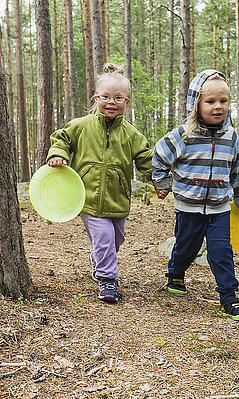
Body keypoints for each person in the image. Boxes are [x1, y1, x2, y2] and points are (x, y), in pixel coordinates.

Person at [152, 69, 239, 321]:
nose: (217, 107)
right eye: (210, 101)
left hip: (220, 207)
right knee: (187, 247)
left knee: (221, 250)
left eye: (223, 101)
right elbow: (159, 155)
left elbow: (237, 169)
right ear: (196, 103)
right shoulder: (183, 135)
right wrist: (161, 181)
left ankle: (229, 297)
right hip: (188, 207)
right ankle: (176, 272)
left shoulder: (231, 137)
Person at [46, 63, 153, 303]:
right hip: (88, 198)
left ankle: (99, 259)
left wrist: (158, 180)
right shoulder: (82, 125)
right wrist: (58, 154)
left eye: (118, 98)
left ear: (127, 102)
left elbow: (145, 158)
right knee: (104, 238)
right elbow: (62, 137)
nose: (111, 102)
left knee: (117, 239)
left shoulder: (132, 134)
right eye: (105, 97)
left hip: (118, 198)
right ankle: (108, 280)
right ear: (96, 98)